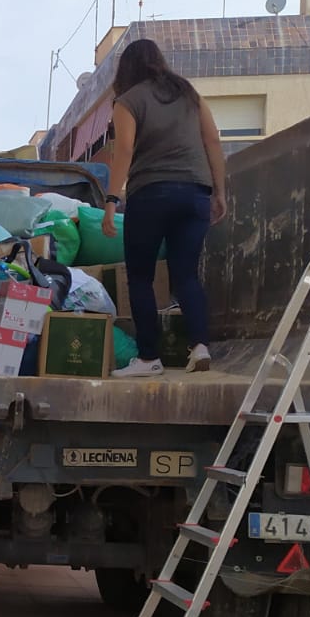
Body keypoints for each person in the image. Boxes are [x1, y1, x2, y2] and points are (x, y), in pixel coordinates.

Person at [101, 38, 228, 378]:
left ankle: (148, 358)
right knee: (186, 274)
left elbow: (124, 150)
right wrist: (219, 191)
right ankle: (200, 346)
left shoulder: (128, 101)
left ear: (126, 69)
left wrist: (111, 201)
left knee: (140, 277)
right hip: (195, 193)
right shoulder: (189, 94)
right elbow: (213, 140)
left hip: (151, 194)